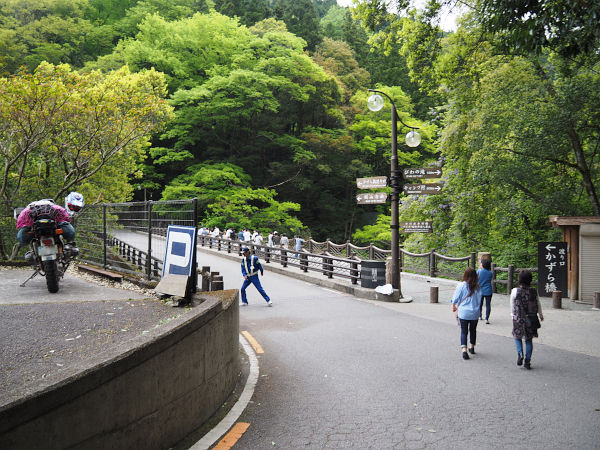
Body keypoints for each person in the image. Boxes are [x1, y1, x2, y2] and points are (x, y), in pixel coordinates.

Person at [511, 270, 544, 370]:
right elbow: (538, 304)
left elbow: (512, 306)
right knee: (529, 339)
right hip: (531, 319)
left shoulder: (515, 291)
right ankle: (527, 361)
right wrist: (541, 315)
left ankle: (520, 353)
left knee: (517, 336)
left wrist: (512, 316)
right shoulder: (534, 291)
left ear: (520, 279)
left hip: (518, 318)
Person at [451, 267, 483, 360]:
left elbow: (456, 297)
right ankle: (472, 347)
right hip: (475, 312)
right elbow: (479, 300)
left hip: (464, 312)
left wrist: (453, 305)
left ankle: (464, 350)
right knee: (473, 330)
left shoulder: (461, 285)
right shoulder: (478, 287)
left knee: (464, 331)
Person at [477, 258, 494, 323]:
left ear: (482, 265)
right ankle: (487, 318)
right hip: (489, 290)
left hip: (480, 290)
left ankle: (480, 316)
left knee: (480, 304)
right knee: (488, 305)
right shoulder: (491, 273)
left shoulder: (479, 271)